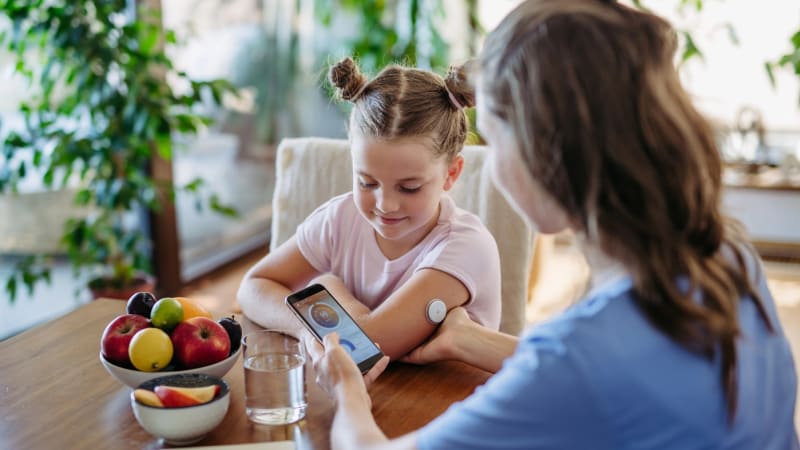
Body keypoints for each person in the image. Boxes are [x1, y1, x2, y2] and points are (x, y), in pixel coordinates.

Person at [309, 1, 800, 449]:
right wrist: (477, 341)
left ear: (544, 157)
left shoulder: (572, 359)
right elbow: (618, 377)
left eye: (497, 144)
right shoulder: (728, 256)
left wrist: (348, 389)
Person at [237, 57, 502, 359]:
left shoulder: (466, 247)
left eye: (409, 187)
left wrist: (330, 289)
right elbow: (254, 286)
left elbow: (372, 345)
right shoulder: (340, 218)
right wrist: (308, 329)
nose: (384, 205)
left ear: (451, 174)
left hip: (445, 401)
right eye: (366, 182)